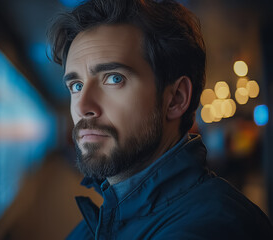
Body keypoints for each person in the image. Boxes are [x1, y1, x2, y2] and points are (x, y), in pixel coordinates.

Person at [47, 0, 273, 239]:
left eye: (113, 79)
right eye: (76, 85)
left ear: (175, 98)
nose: (82, 106)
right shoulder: (99, 223)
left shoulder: (212, 227)